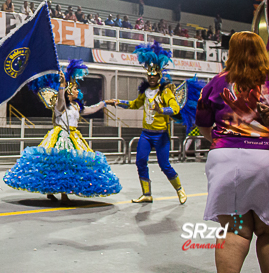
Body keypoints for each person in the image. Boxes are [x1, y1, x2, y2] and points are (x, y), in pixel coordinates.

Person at [196, 31, 269, 272]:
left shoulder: (216, 82)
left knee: (234, 230)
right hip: (265, 158)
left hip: (224, 159)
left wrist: (220, 143)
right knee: (267, 231)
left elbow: (203, 124)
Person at [4, 61, 121, 203]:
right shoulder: (60, 106)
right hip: (60, 136)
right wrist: (62, 86)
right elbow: (60, 99)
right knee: (60, 165)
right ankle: (64, 195)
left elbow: (91, 109)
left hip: (74, 135)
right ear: (68, 92)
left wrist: (106, 102)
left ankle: (53, 192)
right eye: (75, 89)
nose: (78, 91)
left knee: (69, 166)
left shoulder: (76, 107)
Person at [107, 41, 186, 204]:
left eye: (154, 76)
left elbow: (176, 109)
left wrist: (161, 110)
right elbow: (134, 104)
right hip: (146, 134)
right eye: (149, 76)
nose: (151, 78)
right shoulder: (146, 92)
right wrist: (118, 102)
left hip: (161, 135)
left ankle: (179, 190)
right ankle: (147, 194)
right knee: (140, 161)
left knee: (164, 165)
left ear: (159, 76)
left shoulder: (166, 92)